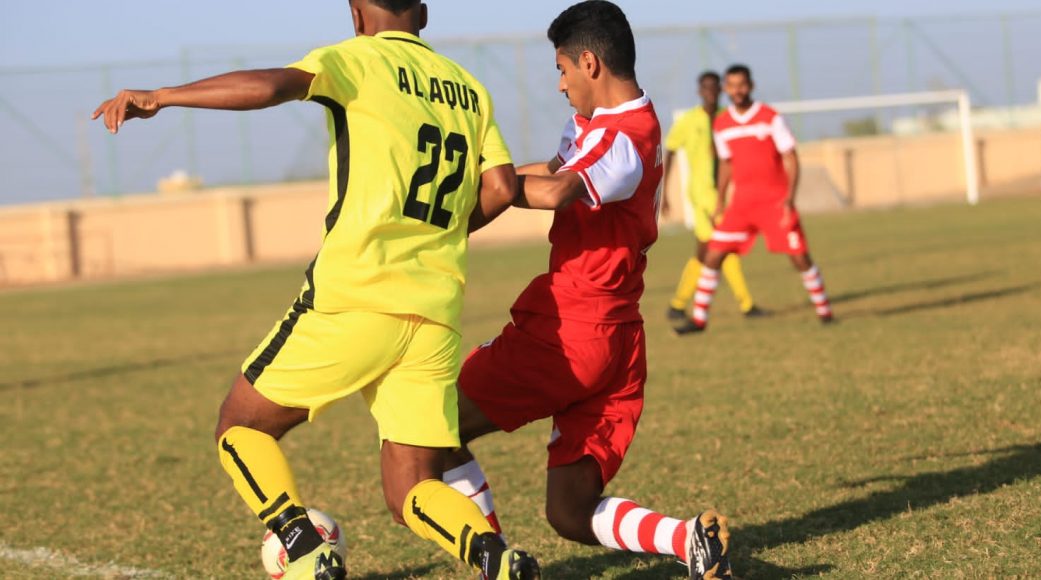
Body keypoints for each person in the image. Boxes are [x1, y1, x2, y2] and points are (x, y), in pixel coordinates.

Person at [92, 2, 540, 579]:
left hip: (355, 294)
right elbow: (499, 187)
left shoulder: (356, 59)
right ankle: (495, 556)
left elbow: (271, 85)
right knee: (411, 486)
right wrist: (436, 235)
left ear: (356, 14)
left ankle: (304, 548)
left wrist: (164, 96)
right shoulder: (468, 87)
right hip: (434, 311)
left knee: (241, 426)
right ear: (424, 14)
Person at [440, 2, 733, 579]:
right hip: (617, 342)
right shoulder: (601, 126)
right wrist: (469, 189)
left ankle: (496, 564)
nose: (560, 83)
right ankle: (689, 540)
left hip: (572, 332)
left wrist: (475, 190)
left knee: (433, 428)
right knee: (570, 512)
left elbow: (554, 192)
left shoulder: (626, 138)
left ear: (590, 63)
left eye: (562, 69)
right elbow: (549, 171)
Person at [674, 64, 833, 335]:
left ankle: (825, 311)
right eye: (732, 85)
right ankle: (699, 320)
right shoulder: (722, 124)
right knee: (713, 255)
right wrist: (721, 200)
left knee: (799, 258)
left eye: (742, 85)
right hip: (742, 205)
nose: (737, 90)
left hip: (775, 202)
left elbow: (791, 157)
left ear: (751, 86)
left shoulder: (770, 117)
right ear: (726, 88)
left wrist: (789, 198)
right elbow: (726, 164)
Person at [665, 71, 762, 323]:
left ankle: (677, 305)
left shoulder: (727, 117)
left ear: (721, 90)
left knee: (709, 251)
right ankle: (747, 305)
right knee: (724, 247)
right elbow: (671, 151)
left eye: (714, 87)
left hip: (725, 193)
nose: (710, 92)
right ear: (699, 91)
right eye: (705, 88)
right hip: (701, 195)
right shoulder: (688, 121)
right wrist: (664, 193)